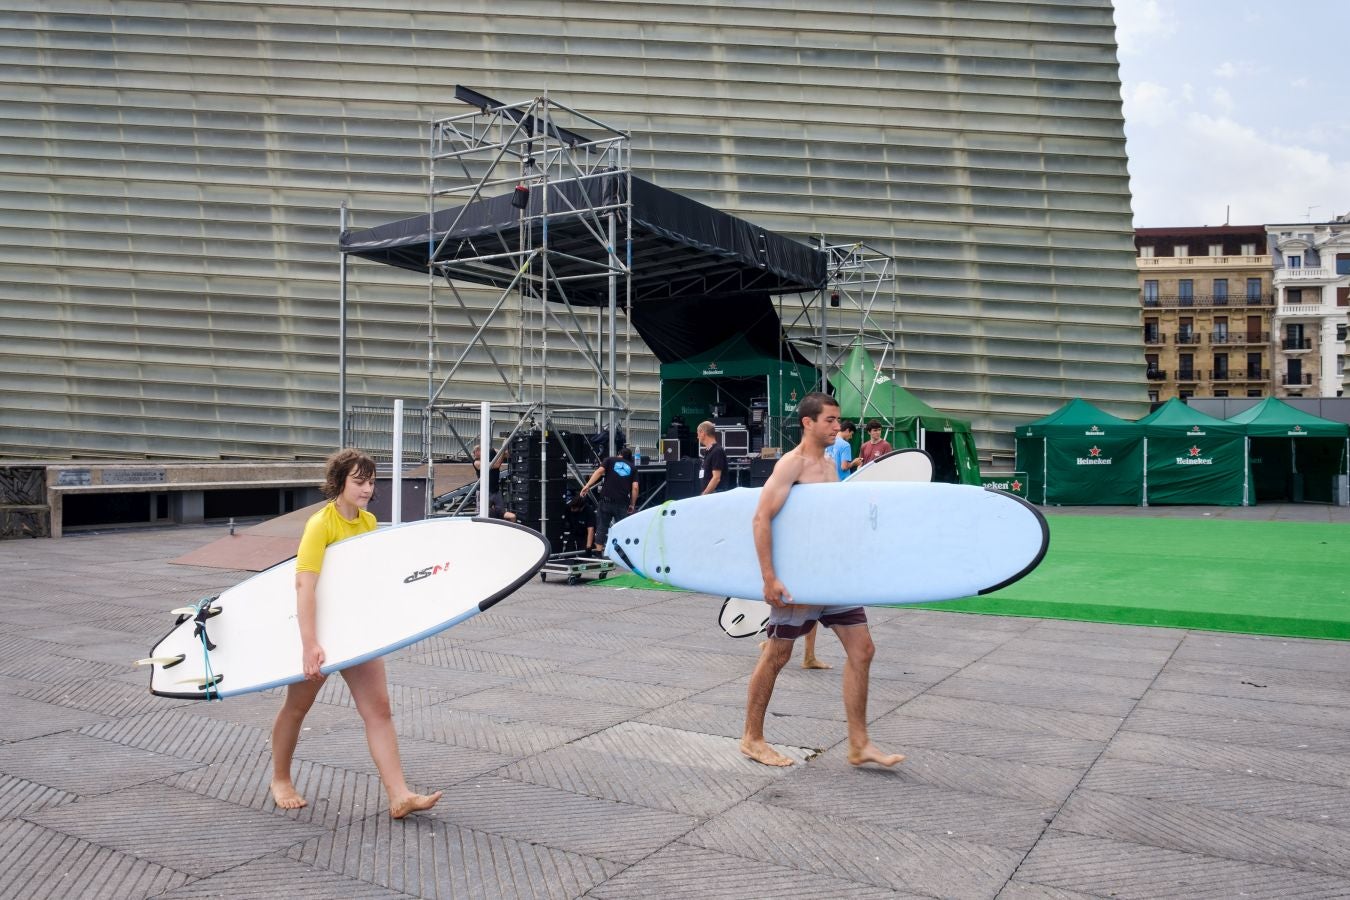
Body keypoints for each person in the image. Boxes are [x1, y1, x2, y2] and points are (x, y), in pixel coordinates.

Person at [270, 448, 442, 818]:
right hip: (322, 633)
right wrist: (309, 644)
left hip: (355, 633)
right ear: (339, 482)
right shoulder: (320, 524)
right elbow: (304, 584)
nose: (366, 489)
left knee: (379, 711)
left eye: (371, 482)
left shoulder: (368, 522)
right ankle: (280, 779)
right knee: (297, 708)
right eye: (359, 481)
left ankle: (399, 795)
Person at [741, 393, 904, 769]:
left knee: (863, 650)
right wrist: (769, 578)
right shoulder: (791, 465)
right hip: (800, 578)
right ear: (808, 422)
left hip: (832, 575)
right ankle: (752, 738)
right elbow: (761, 518)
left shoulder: (830, 464)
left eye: (837, 419)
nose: (837, 426)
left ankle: (859, 744)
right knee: (778, 654)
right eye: (829, 420)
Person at [579, 446, 638, 553]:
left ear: (619, 454)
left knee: (602, 527)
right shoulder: (633, 468)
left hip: (606, 500)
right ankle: (623, 553)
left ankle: (598, 552)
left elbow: (599, 471)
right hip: (622, 502)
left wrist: (587, 485)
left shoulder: (610, 460)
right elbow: (635, 488)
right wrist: (632, 504)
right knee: (623, 528)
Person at [472, 444, 517, 522]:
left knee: (501, 512)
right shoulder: (476, 462)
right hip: (484, 492)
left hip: (495, 490)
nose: (475, 454)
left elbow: (506, 454)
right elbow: (496, 465)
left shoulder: (491, 451)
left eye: (478, 450)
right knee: (483, 513)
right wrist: (502, 450)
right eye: (475, 452)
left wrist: (503, 450)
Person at [696, 421, 728, 495]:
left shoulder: (717, 451)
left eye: (698, 434)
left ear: (702, 433)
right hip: (710, 495)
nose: (697, 437)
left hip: (715, 495)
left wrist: (704, 494)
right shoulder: (708, 451)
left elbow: (716, 478)